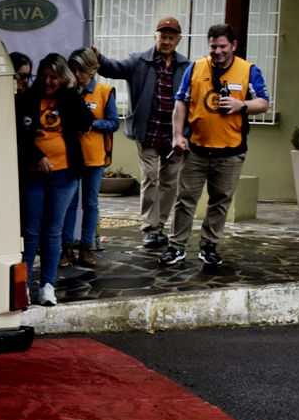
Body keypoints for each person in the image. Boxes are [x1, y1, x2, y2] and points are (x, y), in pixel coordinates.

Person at [161, 24, 271, 268]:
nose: (218, 51)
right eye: (213, 47)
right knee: (185, 200)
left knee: (220, 201)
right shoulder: (196, 68)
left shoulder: (248, 70)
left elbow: (264, 102)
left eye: (223, 46)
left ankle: (209, 246)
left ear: (233, 45)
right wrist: (177, 135)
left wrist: (241, 105)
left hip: (231, 151)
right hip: (196, 149)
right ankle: (176, 247)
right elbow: (181, 102)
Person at [94, 17, 190, 250]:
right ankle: (151, 229)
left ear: (178, 41)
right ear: (154, 37)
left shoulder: (187, 67)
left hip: (175, 135)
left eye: (171, 37)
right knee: (150, 178)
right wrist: (98, 58)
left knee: (169, 182)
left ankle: (160, 226)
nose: (166, 41)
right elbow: (113, 68)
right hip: (147, 133)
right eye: (162, 36)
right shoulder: (138, 61)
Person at [16, 53, 95, 306]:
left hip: (64, 176)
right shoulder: (26, 100)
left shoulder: (68, 98)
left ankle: (47, 287)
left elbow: (87, 122)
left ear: (63, 78)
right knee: (30, 234)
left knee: (53, 233)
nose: (47, 81)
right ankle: (22, 288)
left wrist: (71, 91)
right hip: (32, 176)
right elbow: (17, 135)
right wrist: (37, 156)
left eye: (53, 77)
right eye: (43, 76)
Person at [60, 48, 119, 268]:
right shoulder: (67, 93)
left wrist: (92, 124)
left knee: (90, 204)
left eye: (82, 70)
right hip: (71, 157)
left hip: (95, 158)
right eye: (73, 70)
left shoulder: (105, 91)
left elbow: (114, 123)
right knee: (70, 204)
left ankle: (86, 248)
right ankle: (66, 248)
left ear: (92, 69)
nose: (77, 75)